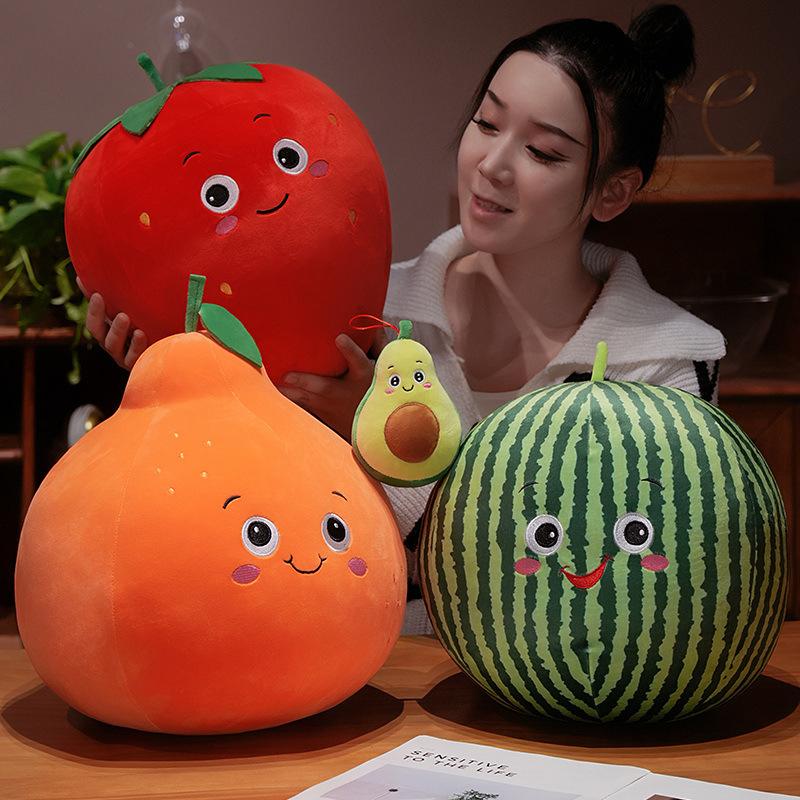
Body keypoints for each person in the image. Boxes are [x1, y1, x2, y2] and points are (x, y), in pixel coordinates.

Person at [85, 5, 725, 634]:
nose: (492, 164)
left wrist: (392, 448)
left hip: (560, 679)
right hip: (366, 669)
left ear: (612, 191)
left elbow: (602, 582)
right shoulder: (364, 315)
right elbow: (246, 526)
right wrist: (175, 385)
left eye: (543, 152)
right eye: (486, 123)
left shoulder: (668, 364)